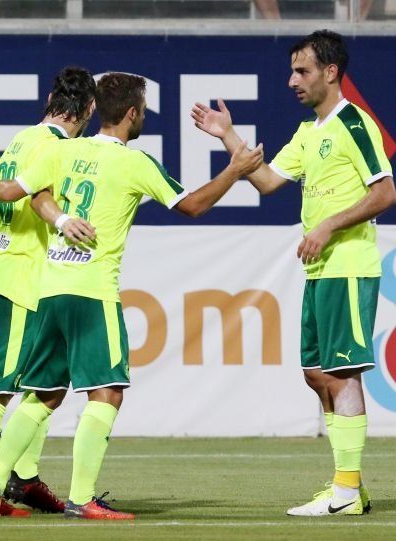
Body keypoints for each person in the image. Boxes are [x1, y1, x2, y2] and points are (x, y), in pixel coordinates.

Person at [0, 72, 263, 520]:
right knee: (107, 393)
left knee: (44, 394)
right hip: (92, 292)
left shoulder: (62, 150)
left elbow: (18, 193)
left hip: (50, 289)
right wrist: (234, 171)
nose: (142, 117)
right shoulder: (135, 162)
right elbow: (193, 205)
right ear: (131, 114)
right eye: (142, 111)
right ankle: (82, 498)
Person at [191, 29, 395, 516]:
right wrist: (228, 136)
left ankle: (345, 491)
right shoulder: (309, 132)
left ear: (330, 72)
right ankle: (350, 486)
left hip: (348, 267)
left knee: (341, 373)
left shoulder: (354, 123)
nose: (292, 81)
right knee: (316, 374)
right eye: (291, 72)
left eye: (302, 71)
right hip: (320, 271)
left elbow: (385, 192)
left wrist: (327, 225)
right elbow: (265, 181)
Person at [0, 66, 97, 517]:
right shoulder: (58, 148)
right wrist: (63, 220)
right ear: (90, 108)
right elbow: (36, 196)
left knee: (40, 383)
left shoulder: (23, 137)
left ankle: (22, 477)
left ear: (51, 100)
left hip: (6, 269)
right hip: (19, 274)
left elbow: (2, 181)